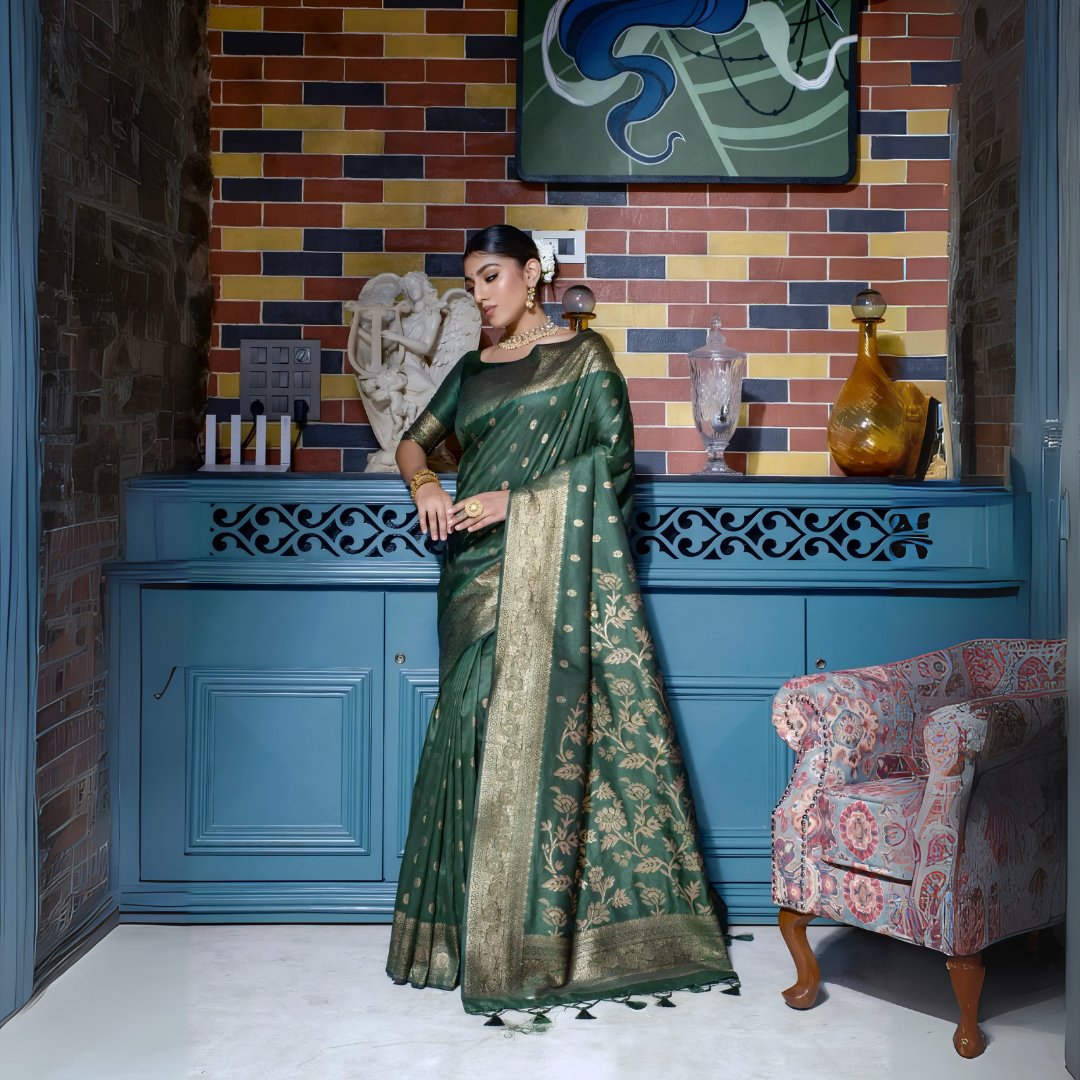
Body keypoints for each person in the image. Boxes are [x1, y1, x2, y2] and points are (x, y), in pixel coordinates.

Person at [386, 224, 737, 1019]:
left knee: (535, 738)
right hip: (471, 574)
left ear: (533, 275)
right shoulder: (472, 370)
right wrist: (427, 489)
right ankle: (459, 935)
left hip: (544, 562)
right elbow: (415, 447)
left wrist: (520, 502)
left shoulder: (585, 362)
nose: (479, 295)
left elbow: (613, 469)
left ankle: (527, 938)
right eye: (471, 282)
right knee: (470, 734)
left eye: (491, 278)